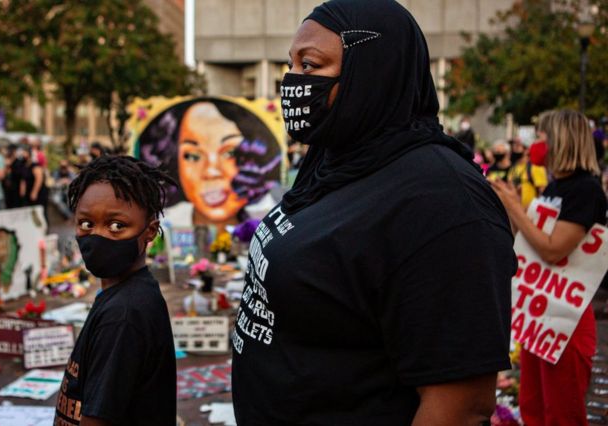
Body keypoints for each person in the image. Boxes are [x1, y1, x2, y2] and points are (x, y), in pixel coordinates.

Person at [231, 1, 517, 425]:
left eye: (310, 66)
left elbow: (461, 405)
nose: (292, 82)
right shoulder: (336, 157)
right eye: (290, 65)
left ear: (374, 73)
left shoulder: (442, 202)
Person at [492, 109, 606, 425]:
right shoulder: (557, 188)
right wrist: (515, 211)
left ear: (561, 141)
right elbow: (531, 246)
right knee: (533, 406)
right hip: (541, 318)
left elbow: (554, 250)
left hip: (566, 320)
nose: (535, 145)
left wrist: (517, 210)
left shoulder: (586, 190)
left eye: (541, 138)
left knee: (562, 412)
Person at [55, 156, 177, 426]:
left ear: (150, 231)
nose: (98, 236)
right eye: (86, 224)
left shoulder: (122, 316)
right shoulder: (125, 295)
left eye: (117, 226)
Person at [137, 98, 283, 231]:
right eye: (193, 156)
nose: (211, 171)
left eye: (229, 153)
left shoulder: (271, 220)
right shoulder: (162, 225)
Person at [507, 142, 548, 209]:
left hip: (531, 212)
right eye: (513, 147)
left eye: (517, 147)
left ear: (526, 151)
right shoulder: (512, 168)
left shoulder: (536, 167)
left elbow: (544, 193)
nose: (514, 149)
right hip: (515, 211)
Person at [19, 146, 48, 221]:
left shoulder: (35, 165)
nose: (23, 155)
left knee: (40, 212)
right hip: (28, 192)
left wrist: (34, 192)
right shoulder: (24, 165)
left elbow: (39, 179)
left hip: (38, 193)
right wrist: (23, 191)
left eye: (25, 153)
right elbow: (23, 179)